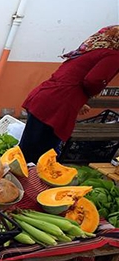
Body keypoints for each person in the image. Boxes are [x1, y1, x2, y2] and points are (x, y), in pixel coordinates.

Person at [19, 25, 119, 163]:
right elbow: (93, 80)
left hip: (44, 98)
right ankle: (28, 183)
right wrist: (88, 94)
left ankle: (17, 178)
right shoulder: (113, 55)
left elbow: (69, 78)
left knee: (27, 150)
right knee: (42, 157)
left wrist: (79, 101)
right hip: (56, 107)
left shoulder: (91, 50)